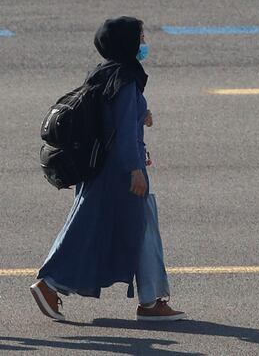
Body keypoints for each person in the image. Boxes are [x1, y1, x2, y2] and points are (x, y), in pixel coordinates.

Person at [30, 16, 185, 322]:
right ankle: (49, 284)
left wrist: (142, 115)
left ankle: (152, 300)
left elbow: (112, 120)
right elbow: (124, 130)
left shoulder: (105, 73)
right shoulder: (126, 78)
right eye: (140, 37)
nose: (143, 43)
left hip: (103, 166)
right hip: (119, 171)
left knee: (135, 226)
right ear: (126, 42)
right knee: (92, 226)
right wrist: (135, 168)